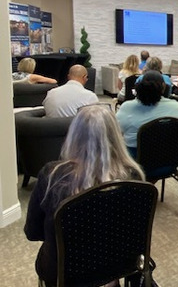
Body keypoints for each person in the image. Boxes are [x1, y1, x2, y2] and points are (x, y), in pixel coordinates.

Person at [24, 105, 145, 286]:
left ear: (74, 135)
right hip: (116, 266)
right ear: (116, 136)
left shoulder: (52, 176)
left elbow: (33, 232)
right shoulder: (134, 177)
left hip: (63, 273)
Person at [116, 71, 178, 157]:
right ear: (164, 87)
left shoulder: (127, 107)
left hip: (136, 164)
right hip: (169, 162)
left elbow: (115, 133)